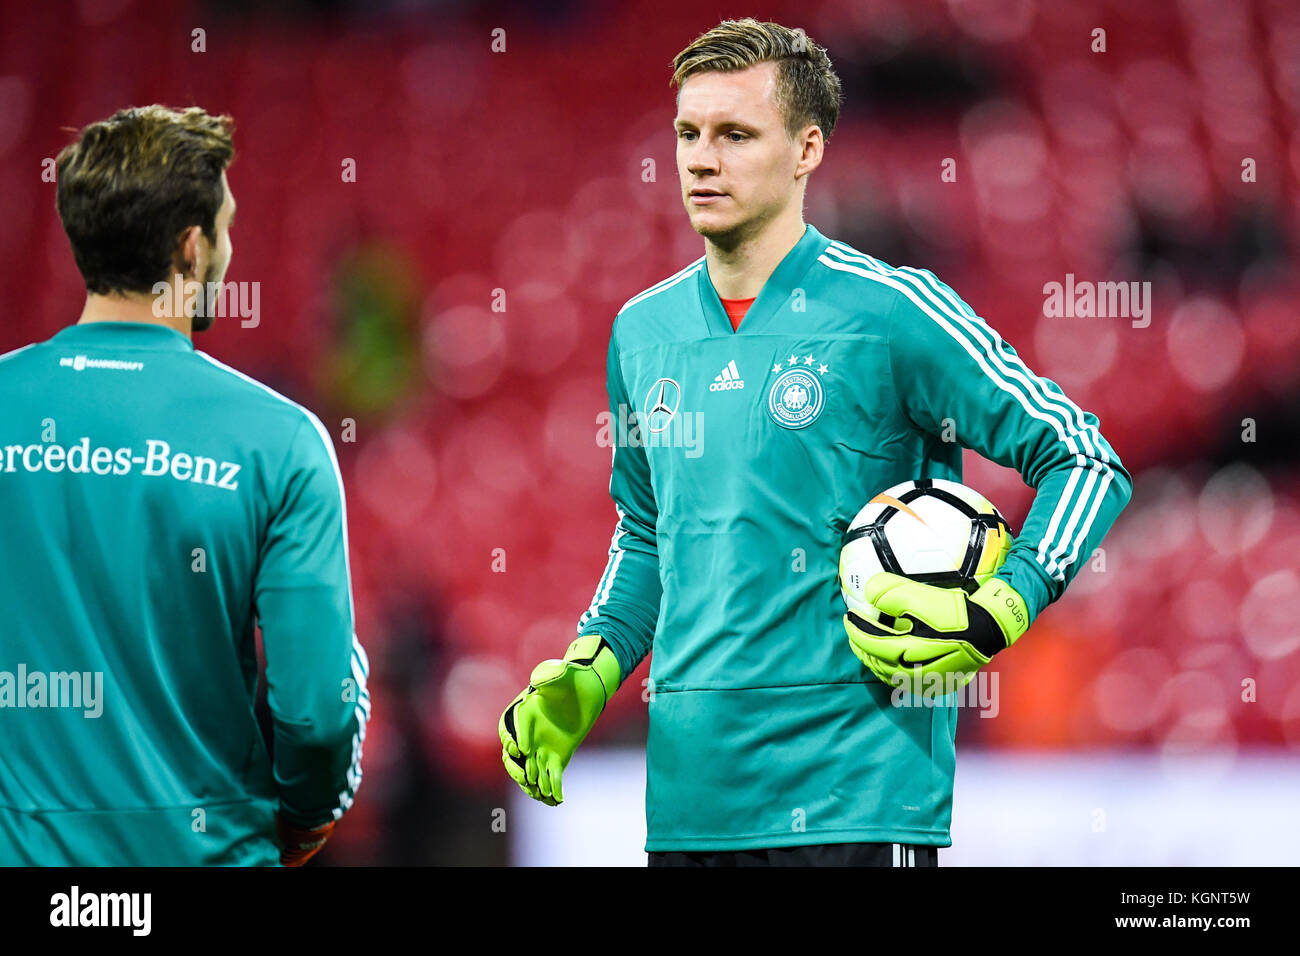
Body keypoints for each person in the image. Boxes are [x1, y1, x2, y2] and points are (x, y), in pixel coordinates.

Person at [499, 19, 1131, 866]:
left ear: (806, 150)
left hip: (857, 804)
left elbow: (1083, 459)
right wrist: (594, 666)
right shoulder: (640, 332)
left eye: (734, 134)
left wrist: (1005, 601)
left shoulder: (893, 313)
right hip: (692, 810)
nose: (699, 159)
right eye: (688, 133)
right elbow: (650, 532)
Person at [0, 105, 369, 866]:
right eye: (227, 227)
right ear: (191, 246)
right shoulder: (280, 441)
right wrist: (303, 821)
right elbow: (319, 714)